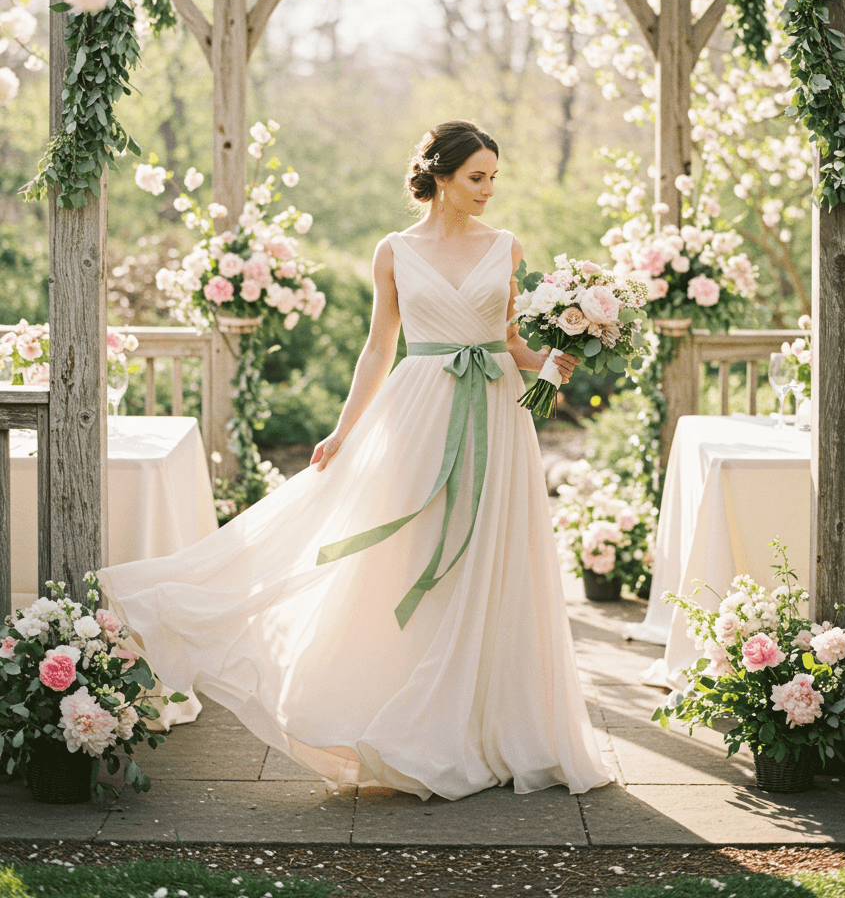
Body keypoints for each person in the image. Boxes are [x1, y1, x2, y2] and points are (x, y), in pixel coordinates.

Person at [98, 119, 611, 801]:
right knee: (408, 553)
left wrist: (552, 359)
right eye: (476, 177)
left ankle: (493, 724)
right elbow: (379, 346)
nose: (489, 189)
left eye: (494, 177)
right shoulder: (393, 251)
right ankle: (403, 720)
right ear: (440, 177)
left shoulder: (507, 247)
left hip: (497, 415)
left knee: (494, 557)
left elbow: (511, 339)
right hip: (418, 413)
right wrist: (344, 430)